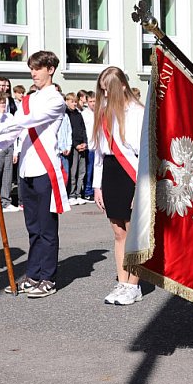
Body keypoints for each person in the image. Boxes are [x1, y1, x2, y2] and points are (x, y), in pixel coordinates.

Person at [0, 51, 69, 298]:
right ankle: (33, 274)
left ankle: (48, 278)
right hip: (27, 170)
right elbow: (15, 132)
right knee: (32, 227)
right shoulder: (28, 100)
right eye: (32, 68)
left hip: (45, 169)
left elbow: (30, 122)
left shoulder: (56, 100)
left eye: (38, 68)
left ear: (50, 69)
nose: (34, 73)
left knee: (47, 228)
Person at [92, 67, 144, 306]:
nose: (105, 94)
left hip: (131, 174)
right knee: (118, 232)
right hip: (111, 173)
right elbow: (99, 155)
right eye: (102, 89)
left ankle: (134, 285)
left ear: (122, 86)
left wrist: (141, 188)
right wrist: (97, 187)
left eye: (108, 89)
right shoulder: (103, 113)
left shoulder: (137, 113)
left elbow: (144, 154)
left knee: (133, 233)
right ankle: (122, 281)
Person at [65, 92, 88, 205]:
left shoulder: (78, 114)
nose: (74, 104)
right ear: (67, 102)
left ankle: (79, 194)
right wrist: (76, 145)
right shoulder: (66, 115)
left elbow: (83, 129)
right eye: (72, 101)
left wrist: (85, 143)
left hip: (82, 146)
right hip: (74, 147)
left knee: (81, 171)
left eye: (75, 101)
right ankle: (72, 194)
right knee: (73, 171)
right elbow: (69, 133)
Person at [81, 90, 96, 202]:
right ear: (87, 102)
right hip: (89, 146)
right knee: (89, 170)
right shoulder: (84, 114)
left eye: (95, 101)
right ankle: (87, 191)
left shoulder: (100, 113)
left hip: (98, 146)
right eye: (90, 101)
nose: (93, 104)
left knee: (97, 170)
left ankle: (96, 190)